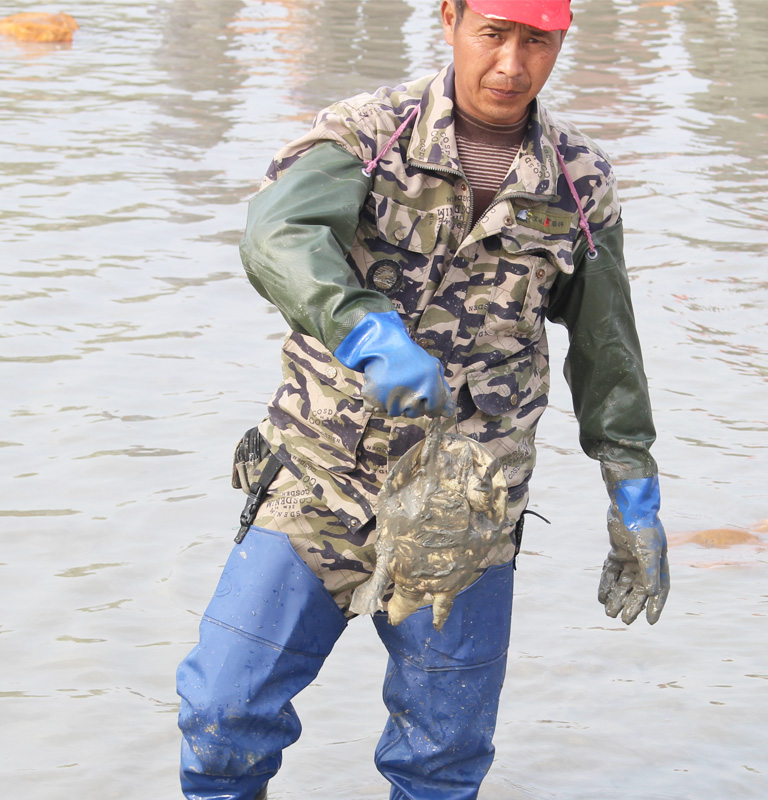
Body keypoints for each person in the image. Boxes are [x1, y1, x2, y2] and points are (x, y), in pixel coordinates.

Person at [176, 1, 670, 798]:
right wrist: (365, 331)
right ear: (449, 19)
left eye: (537, 42)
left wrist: (634, 491)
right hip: (319, 481)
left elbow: (607, 348)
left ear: (560, 40)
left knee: (441, 756)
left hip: (469, 507)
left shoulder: (579, 183)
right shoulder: (367, 136)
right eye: (494, 35)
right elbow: (274, 236)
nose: (512, 65)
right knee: (221, 716)